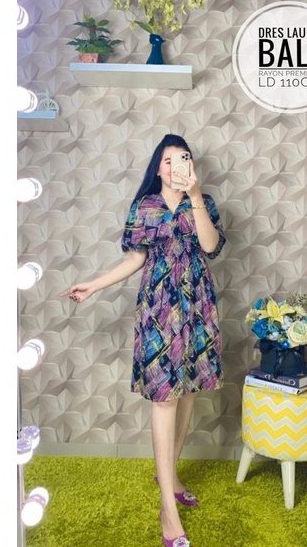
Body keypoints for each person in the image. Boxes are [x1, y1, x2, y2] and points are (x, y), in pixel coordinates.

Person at [60, 134, 226, 547]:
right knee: (165, 397)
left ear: (191, 164)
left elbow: (209, 246)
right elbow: (136, 259)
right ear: (158, 168)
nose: (175, 166)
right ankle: (168, 511)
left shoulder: (202, 202)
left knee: (187, 393)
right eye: (167, 160)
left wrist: (196, 195)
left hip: (197, 304)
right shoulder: (145, 207)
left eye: (183, 158)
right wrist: (94, 285)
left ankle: (170, 478)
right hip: (159, 307)